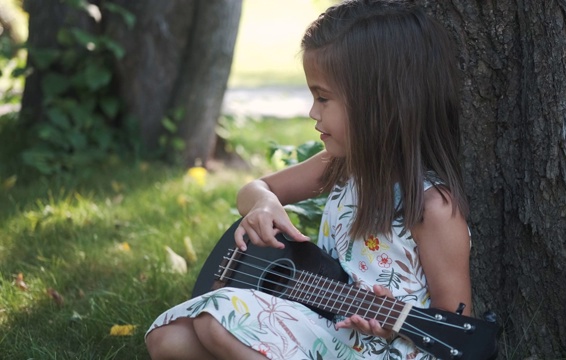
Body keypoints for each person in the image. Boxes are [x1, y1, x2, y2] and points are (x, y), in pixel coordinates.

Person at [145, 0, 472, 359]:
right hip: (326, 327)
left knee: (215, 322)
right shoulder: (340, 167)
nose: (312, 113)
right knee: (166, 340)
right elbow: (253, 190)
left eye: (323, 98)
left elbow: (456, 332)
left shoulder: (433, 208)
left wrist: (391, 322)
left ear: (380, 104)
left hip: (382, 352)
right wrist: (264, 204)